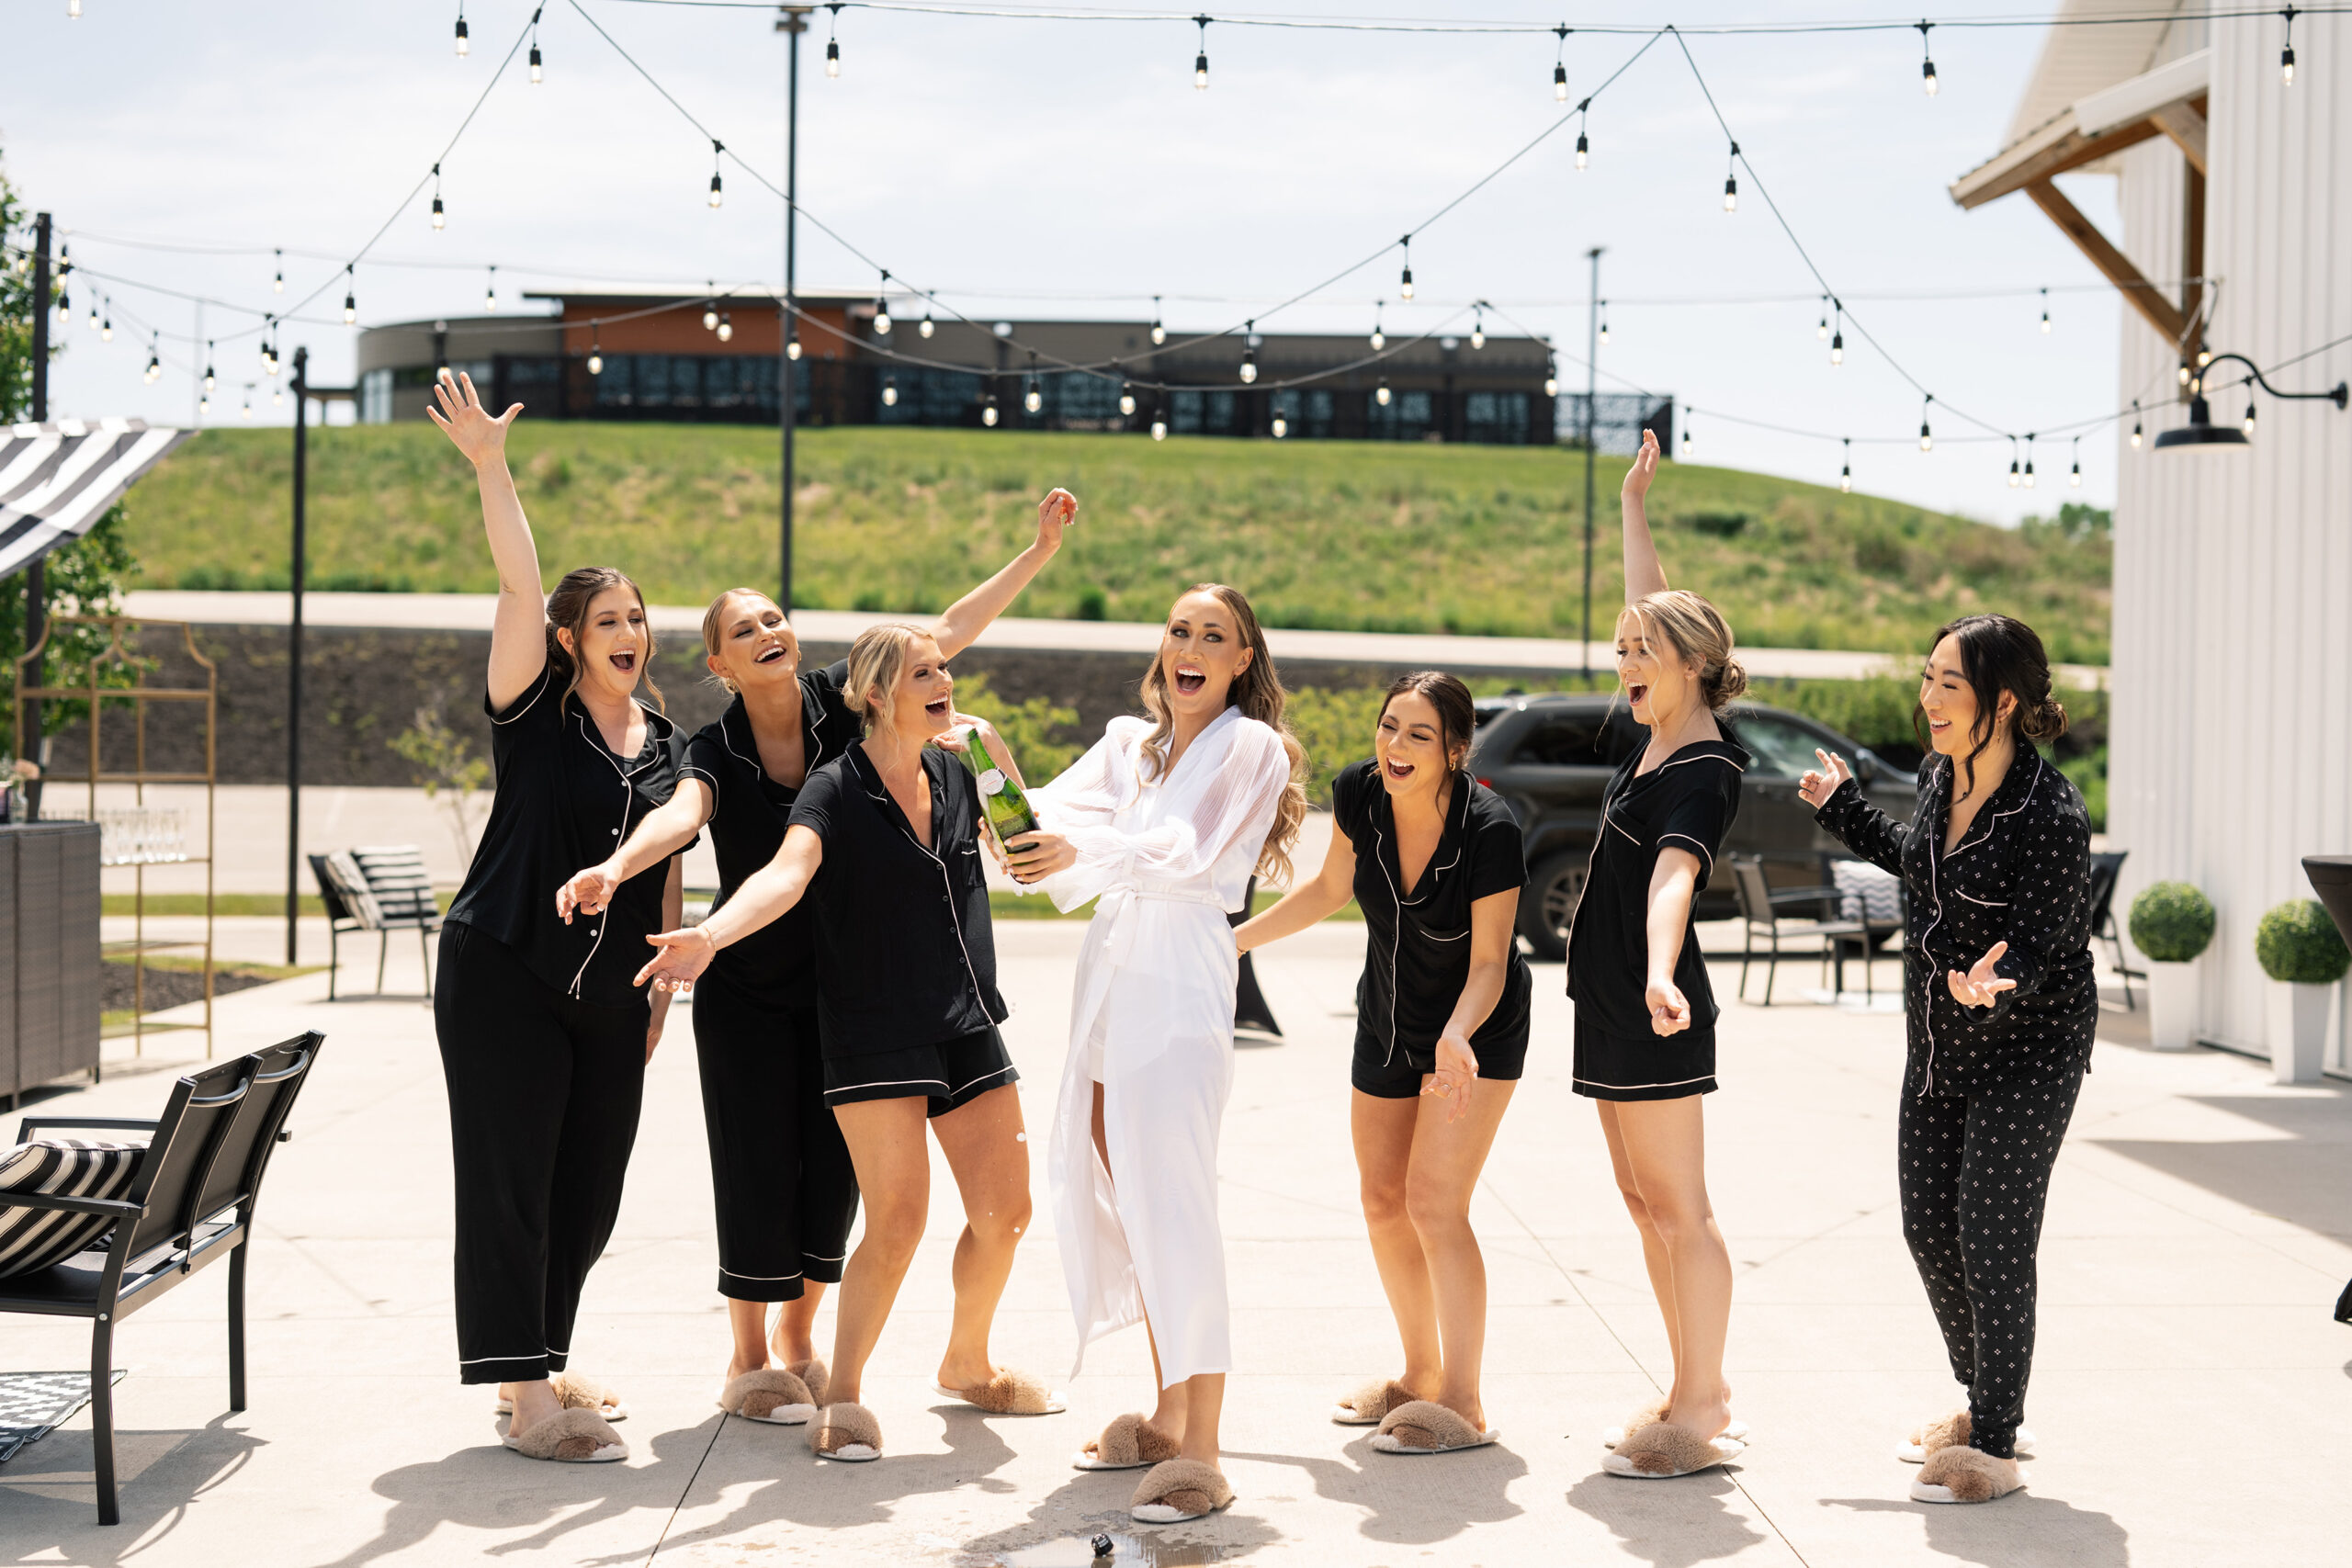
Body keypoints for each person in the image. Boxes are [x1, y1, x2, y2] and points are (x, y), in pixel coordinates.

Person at [556, 491, 1078, 1427]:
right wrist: (637, 876)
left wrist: (1037, 553)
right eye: (744, 628)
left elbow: (942, 634)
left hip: (849, 985)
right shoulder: (722, 750)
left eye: (775, 618)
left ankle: (810, 1348)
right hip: (756, 987)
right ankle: (754, 1358)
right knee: (760, 1166)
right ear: (718, 662)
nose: (768, 631)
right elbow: (694, 823)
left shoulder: (855, 704)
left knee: (837, 1183)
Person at [632, 622, 1054, 1463]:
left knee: (1007, 1213)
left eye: (943, 668)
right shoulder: (833, 787)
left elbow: (1023, 846)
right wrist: (710, 936)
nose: (943, 680)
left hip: (966, 1015)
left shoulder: (962, 758)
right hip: (873, 1032)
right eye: (922, 673)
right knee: (897, 1222)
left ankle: (967, 1359)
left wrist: (1011, 787)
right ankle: (848, 1394)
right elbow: (784, 876)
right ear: (873, 695)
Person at [425, 369, 690, 1464]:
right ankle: (523, 1394)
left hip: (613, 991)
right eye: (608, 619)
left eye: (637, 618)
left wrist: (666, 979)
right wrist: (493, 469)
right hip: (503, 971)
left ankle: (537, 1349)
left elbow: (671, 860)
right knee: (512, 1181)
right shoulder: (534, 711)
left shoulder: (670, 740)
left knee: (588, 1188)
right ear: (572, 637)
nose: (629, 630)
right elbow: (517, 579)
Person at [1001, 582, 1305, 1526]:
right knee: (1119, 1186)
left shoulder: (1251, 747)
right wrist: (985, 767)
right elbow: (1043, 815)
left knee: (1170, 1199)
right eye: (1180, 629)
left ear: (1242, 660)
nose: (1192, 645)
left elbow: (1181, 849)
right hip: (1112, 967)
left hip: (1178, 967)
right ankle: (1169, 1407)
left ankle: (1203, 1451)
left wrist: (1077, 847)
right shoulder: (1128, 744)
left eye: (1214, 635)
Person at [1801, 614, 2092, 1506]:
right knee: (1927, 1229)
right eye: (1927, 678)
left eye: (1948, 685)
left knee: (1993, 1240)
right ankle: (1984, 1399)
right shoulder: (1937, 775)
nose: (1927, 699)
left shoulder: (2048, 813)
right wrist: (1843, 808)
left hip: (2028, 1050)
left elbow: (2048, 942)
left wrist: (1998, 980)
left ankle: (1994, 1443)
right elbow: (1917, 864)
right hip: (1937, 1043)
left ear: (2003, 703)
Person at [1236, 671, 1531, 1456]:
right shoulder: (1359, 794)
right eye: (1389, 726)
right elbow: (1329, 887)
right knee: (1380, 1198)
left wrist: (1459, 1034)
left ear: (1456, 752)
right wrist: (1229, 943)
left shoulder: (1490, 826)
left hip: (1476, 1030)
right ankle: (1418, 1373)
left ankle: (1463, 1402)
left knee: (1435, 1202)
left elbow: (1494, 960)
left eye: (1419, 735)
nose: (1396, 746)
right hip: (1389, 1021)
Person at [1573, 427, 1753, 1481]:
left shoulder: (1704, 765)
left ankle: (1706, 1398)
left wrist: (1654, 970)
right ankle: (1686, 1380)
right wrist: (1634, 506)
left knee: (1680, 1207)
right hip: (1608, 1003)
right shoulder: (1655, 729)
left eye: (1642, 653)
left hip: (1652, 1003)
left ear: (1691, 667)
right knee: (1641, 1205)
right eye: (1621, 653)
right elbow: (1657, 607)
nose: (1626, 663)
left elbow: (1673, 877)